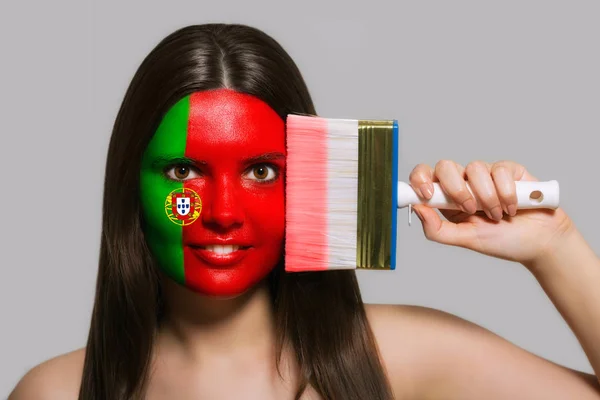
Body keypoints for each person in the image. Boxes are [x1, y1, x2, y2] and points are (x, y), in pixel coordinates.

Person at [9, 23, 600, 400]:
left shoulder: (399, 356)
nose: (221, 213)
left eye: (261, 171)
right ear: (130, 185)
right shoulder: (54, 392)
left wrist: (556, 247)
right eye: (184, 171)